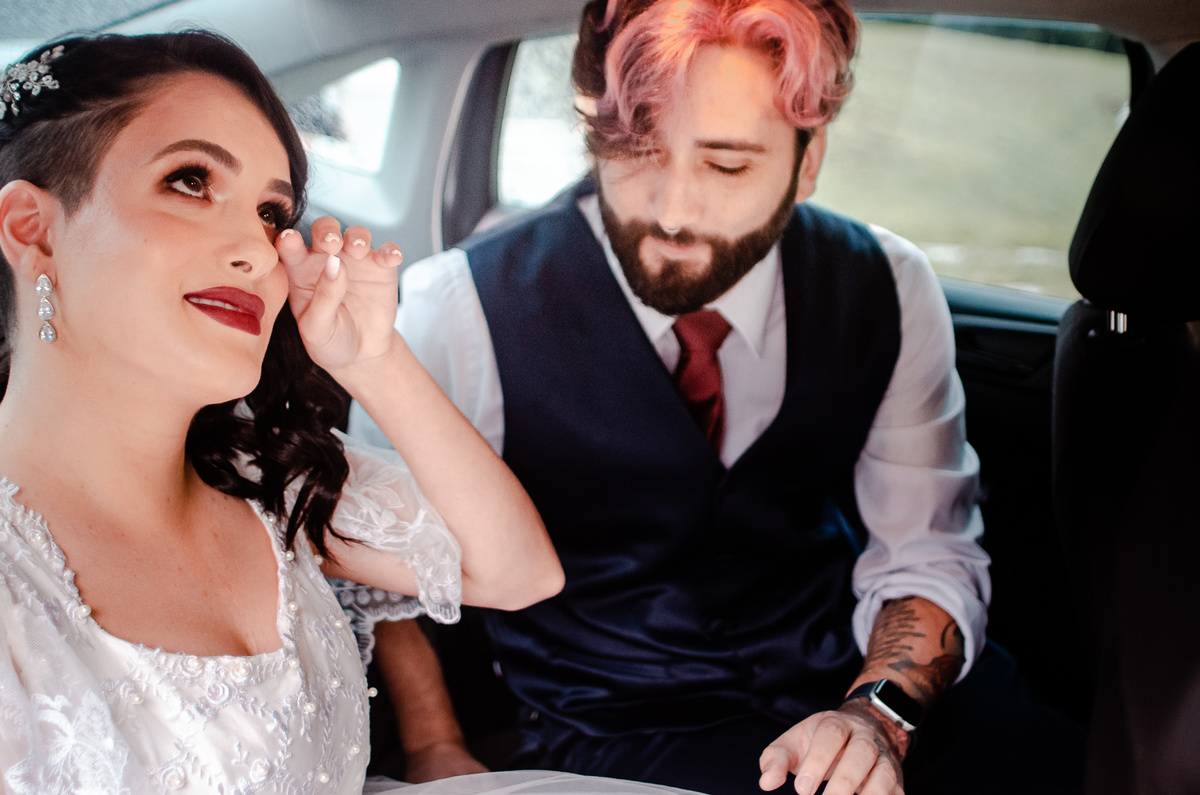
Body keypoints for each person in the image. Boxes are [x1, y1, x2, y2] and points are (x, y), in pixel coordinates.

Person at [350, 1, 1085, 793]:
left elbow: (926, 546)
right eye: (637, 153)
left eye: (727, 165)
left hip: (863, 680)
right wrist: (431, 744)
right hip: (614, 722)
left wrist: (876, 714)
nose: (671, 211)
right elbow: (386, 576)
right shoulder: (450, 310)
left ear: (808, 161)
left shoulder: (888, 285)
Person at [0, 30, 699, 795]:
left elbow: (517, 569)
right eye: (191, 180)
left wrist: (370, 358)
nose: (259, 251)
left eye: (272, 212)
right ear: (31, 228)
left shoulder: (267, 481)